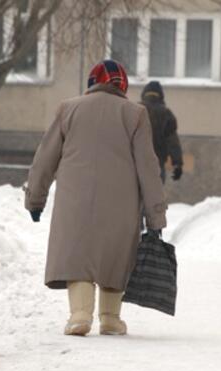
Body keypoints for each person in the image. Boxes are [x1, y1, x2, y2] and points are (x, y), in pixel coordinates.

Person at [24, 59, 167, 336]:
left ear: (92, 82)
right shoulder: (135, 114)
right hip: (121, 205)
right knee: (115, 255)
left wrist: (35, 199)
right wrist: (155, 215)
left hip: (74, 200)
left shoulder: (68, 109)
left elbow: (44, 159)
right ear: (122, 84)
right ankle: (111, 318)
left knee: (79, 253)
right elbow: (148, 168)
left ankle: (79, 315)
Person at [140, 81, 183, 183]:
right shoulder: (166, 114)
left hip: (135, 164)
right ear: (161, 96)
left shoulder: (134, 110)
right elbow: (172, 142)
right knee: (155, 196)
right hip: (157, 165)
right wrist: (177, 164)